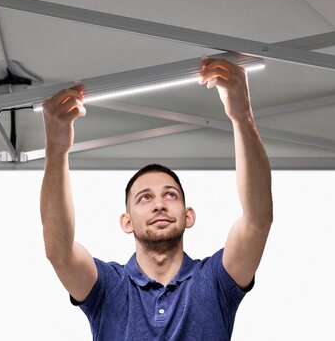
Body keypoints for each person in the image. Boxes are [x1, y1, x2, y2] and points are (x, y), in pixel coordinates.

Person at [40, 59, 273, 340]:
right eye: (145, 198)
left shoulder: (214, 281)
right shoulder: (108, 287)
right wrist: (56, 149)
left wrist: (242, 116)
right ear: (126, 222)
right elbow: (59, 252)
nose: (159, 204)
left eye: (170, 195)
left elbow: (257, 221)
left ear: (189, 215)